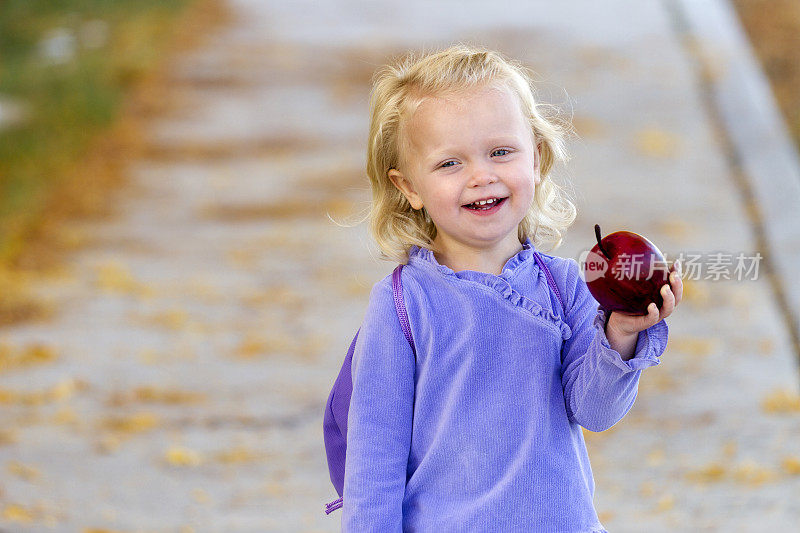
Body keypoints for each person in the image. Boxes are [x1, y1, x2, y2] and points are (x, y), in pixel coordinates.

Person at [341, 43, 683, 532]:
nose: (482, 175)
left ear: (536, 157)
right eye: (449, 164)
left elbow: (595, 410)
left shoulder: (566, 286)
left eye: (500, 152)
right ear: (408, 187)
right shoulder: (404, 304)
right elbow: (374, 463)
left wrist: (621, 333)